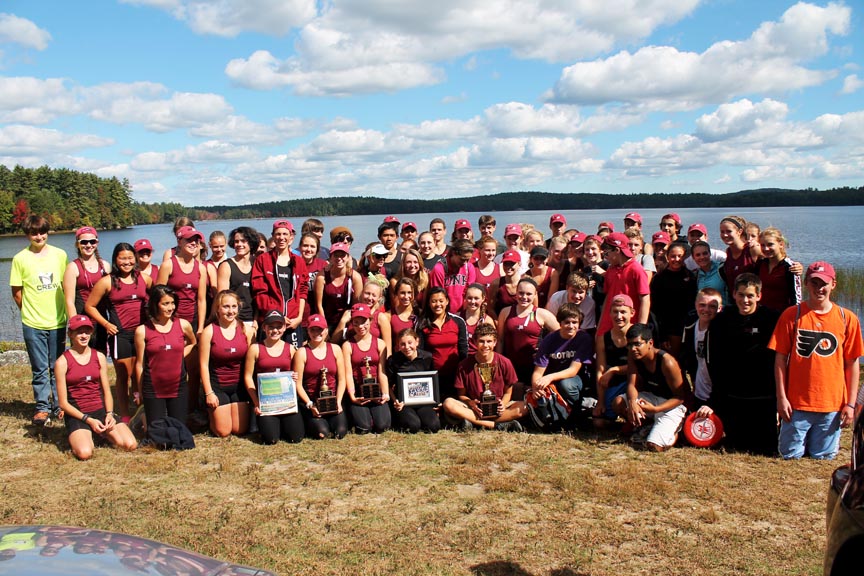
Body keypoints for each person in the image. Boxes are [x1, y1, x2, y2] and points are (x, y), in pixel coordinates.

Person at [770, 262, 863, 460]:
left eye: (824, 283)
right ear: (806, 284)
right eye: (814, 283)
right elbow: (780, 360)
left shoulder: (848, 319)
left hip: (831, 405)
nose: (819, 288)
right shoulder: (791, 315)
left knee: (823, 457)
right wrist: (781, 398)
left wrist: (851, 404)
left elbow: (852, 364)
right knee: (790, 456)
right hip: (796, 404)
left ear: (833, 285)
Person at [706, 273, 780, 455]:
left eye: (750, 296)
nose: (745, 300)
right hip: (733, 393)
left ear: (759, 296)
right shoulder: (722, 320)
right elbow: (715, 360)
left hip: (763, 394)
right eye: (741, 295)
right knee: (736, 444)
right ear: (733, 294)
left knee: (765, 447)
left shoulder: (772, 319)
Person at [10, 215, 69, 425]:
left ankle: (60, 405)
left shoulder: (60, 255)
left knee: (58, 367)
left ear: (47, 232)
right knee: (40, 368)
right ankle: (42, 407)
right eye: (34, 233)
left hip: (58, 321)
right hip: (33, 323)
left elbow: (67, 285)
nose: (39, 236)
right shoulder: (20, 259)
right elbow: (17, 292)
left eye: (42, 232)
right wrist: (30, 312)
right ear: (27, 235)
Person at [85, 243, 152, 422]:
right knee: (123, 376)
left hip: (141, 334)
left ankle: (142, 410)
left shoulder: (144, 279)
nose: (127, 262)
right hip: (119, 335)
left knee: (141, 373)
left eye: (130, 258)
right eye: (122, 258)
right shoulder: (107, 281)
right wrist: (106, 324)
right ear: (116, 259)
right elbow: (89, 306)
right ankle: (124, 414)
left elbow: (157, 300)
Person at [56, 315, 137, 459]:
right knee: (85, 453)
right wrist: (88, 420)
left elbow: (106, 391)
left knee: (130, 444)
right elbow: (63, 403)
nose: (84, 335)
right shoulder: (62, 362)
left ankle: (101, 433)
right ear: (70, 334)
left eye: (87, 331)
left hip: (100, 411)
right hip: (79, 414)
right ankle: (87, 433)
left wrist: (110, 413)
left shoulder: (99, 356)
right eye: (79, 332)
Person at [612, 323, 687, 452]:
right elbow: (631, 384)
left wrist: (656, 409)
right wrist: (632, 403)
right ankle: (648, 426)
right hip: (651, 399)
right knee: (618, 402)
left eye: (637, 344)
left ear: (650, 343)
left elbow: (680, 397)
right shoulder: (633, 355)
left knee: (654, 447)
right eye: (630, 345)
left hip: (671, 405)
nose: (633, 348)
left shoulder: (667, 362)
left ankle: (675, 432)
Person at [134, 285, 197, 428]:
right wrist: (139, 391)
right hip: (153, 387)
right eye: (165, 304)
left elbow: (193, 343)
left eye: (173, 303)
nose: (171, 308)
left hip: (178, 385)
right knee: (159, 440)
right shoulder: (142, 331)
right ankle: (143, 418)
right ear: (155, 304)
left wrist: (178, 356)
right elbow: (139, 364)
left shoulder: (183, 325)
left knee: (179, 434)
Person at [443, 324, 526, 431]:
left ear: (495, 342)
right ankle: (496, 426)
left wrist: (503, 405)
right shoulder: (464, 365)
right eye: (481, 341)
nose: (485, 345)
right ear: (475, 342)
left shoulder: (505, 362)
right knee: (448, 404)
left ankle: (474, 422)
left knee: (524, 407)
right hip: (475, 409)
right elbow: (462, 395)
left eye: (489, 341)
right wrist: (471, 403)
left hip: (498, 409)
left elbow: (508, 392)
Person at [244, 310, 307, 444]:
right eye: (271, 327)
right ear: (264, 327)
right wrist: (257, 402)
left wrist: (295, 377)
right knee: (270, 439)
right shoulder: (255, 348)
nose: (275, 330)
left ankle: (284, 424)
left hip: (286, 401)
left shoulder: (291, 349)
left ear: (284, 328)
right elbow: (248, 377)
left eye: (278, 327)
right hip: (266, 403)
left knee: (296, 438)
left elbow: (298, 375)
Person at [199, 290, 253, 437]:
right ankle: (208, 415)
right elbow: (203, 365)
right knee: (223, 431)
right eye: (226, 307)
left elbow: (251, 363)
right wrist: (209, 393)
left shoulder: (247, 330)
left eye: (234, 307)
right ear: (218, 308)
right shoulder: (209, 331)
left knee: (239, 430)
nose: (231, 311)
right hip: (218, 386)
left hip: (239, 387)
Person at [252, 219, 309, 346]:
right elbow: (260, 292)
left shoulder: (299, 262)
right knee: (269, 359)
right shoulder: (263, 260)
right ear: (273, 236)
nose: (281, 237)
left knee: (293, 360)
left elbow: (302, 291)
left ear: (291, 237)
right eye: (278, 234)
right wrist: (277, 316)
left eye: (285, 234)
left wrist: (299, 317)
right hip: (271, 322)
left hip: (292, 322)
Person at [531, 303, 594, 414]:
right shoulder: (549, 339)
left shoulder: (584, 338)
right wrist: (536, 387)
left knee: (566, 384)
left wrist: (549, 378)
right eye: (567, 322)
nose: (571, 326)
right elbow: (538, 371)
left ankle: (578, 411)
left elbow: (573, 370)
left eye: (574, 322)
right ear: (560, 323)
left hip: (576, 379)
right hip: (553, 380)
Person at [292, 314, 348, 439]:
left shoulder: (335, 349)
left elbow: (342, 379)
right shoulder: (301, 352)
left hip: (332, 400)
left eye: (320, 329)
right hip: (312, 401)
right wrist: (310, 404)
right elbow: (298, 384)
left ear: (326, 330)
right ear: (308, 331)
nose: (316, 333)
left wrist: (338, 402)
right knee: (322, 433)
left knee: (341, 431)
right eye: (313, 329)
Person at [496, 277, 559, 386]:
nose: (524, 297)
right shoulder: (505, 312)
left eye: (529, 294)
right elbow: (500, 340)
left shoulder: (542, 314)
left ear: (535, 295)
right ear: (516, 293)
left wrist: (548, 351)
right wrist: (497, 363)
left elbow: (562, 334)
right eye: (521, 293)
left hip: (534, 368)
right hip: (510, 366)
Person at [342, 303, 391, 434]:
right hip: (359, 391)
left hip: (376, 390)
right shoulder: (348, 345)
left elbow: (382, 372)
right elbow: (347, 374)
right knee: (364, 427)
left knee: (382, 426)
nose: (360, 326)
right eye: (356, 323)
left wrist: (385, 393)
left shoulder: (380, 343)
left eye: (364, 322)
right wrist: (352, 396)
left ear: (370, 320)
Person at [62, 226, 109, 352]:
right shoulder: (73, 267)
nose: (88, 245)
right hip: (82, 321)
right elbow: (69, 301)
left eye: (92, 242)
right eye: (84, 242)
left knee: (100, 356)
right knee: (82, 358)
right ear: (77, 244)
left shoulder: (105, 266)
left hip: (101, 320)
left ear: (97, 243)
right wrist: (75, 326)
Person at [417, 287, 469, 399]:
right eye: (434, 301)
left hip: (455, 376)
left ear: (447, 301)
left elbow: (463, 350)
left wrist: (463, 376)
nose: (438, 304)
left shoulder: (458, 321)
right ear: (429, 303)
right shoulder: (422, 323)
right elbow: (420, 352)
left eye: (441, 301)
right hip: (433, 376)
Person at [386, 328, 441, 433]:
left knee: (434, 426)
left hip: (423, 401)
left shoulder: (427, 358)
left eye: (410, 343)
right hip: (403, 403)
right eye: (402, 344)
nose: (407, 347)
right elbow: (388, 385)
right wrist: (395, 401)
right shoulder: (393, 360)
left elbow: (433, 381)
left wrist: (434, 401)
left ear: (417, 341)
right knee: (413, 426)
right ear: (398, 345)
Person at [592, 294, 635, 426]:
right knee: (598, 423)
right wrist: (600, 401)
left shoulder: (638, 334)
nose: (619, 316)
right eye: (615, 312)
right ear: (609, 313)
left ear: (632, 313)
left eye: (623, 312)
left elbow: (642, 366)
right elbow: (600, 369)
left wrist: (615, 370)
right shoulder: (603, 338)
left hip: (635, 380)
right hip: (614, 382)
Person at [597, 233, 650, 336]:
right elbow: (608, 298)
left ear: (617, 250)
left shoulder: (636, 269)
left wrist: (641, 329)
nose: (606, 257)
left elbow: (645, 300)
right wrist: (600, 326)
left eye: (607, 253)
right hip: (608, 327)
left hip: (628, 326)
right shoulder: (611, 269)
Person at [680, 288, 723, 415]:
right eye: (702, 305)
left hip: (719, 396)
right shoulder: (690, 328)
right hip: (700, 392)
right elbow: (689, 359)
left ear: (720, 308)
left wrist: (714, 401)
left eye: (712, 306)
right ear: (695, 305)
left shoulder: (722, 333)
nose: (706, 310)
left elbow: (725, 372)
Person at [649, 241, 696, 356]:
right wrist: (662, 334)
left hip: (686, 324)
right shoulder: (659, 278)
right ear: (667, 257)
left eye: (680, 256)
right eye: (673, 256)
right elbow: (655, 306)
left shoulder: (689, 276)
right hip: (667, 326)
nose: (676, 259)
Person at [331, 275, 392, 351]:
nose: (370, 298)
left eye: (374, 295)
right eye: (367, 293)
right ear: (362, 293)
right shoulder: (350, 313)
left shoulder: (381, 317)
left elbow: (388, 350)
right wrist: (342, 322)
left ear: (379, 297)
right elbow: (334, 342)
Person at [216, 226, 258, 329]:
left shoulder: (257, 264)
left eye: (243, 241)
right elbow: (222, 298)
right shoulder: (226, 266)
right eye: (236, 241)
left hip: (255, 320)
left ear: (251, 243)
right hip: (234, 320)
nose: (239, 244)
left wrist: (256, 320)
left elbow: (260, 295)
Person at [315, 241, 362, 331]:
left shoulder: (354, 277)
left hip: (347, 321)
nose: (339, 258)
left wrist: (349, 323)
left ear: (348, 257)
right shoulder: (322, 276)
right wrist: (324, 327)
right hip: (327, 321)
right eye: (336, 255)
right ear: (331, 258)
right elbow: (318, 305)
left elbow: (356, 304)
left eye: (342, 255)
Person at [753, 227, 802, 313]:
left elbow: (796, 299)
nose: (766, 249)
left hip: (782, 317)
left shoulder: (790, 267)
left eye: (770, 244)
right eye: (763, 245)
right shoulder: (761, 264)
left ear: (781, 244)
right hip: (761, 315)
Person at [428, 239, 476, 313]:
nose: (465, 263)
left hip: (463, 312)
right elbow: (437, 296)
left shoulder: (468, 267)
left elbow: (469, 291)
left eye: (468, 260)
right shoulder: (440, 269)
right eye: (462, 259)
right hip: (444, 313)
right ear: (454, 253)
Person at [719, 215, 761, 295]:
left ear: (739, 231)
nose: (725, 235)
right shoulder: (728, 252)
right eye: (722, 232)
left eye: (729, 231)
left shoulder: (752, 249)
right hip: (735, 301)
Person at [460, 283, 496, 353]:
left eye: (476, 298)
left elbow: (491, 345)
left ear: (483, 299)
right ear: (465, 298)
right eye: (470, 298)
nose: (473, 301)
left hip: (479, 359)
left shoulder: (487, 321)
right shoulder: (458, 318)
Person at [691, 240, 729, 305]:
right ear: (693, 257)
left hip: (724, 312)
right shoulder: (696, 275)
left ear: (710, 253)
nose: (702, 257)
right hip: (706, 313)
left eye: (705, 253)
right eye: (698, 255)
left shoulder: (722, 269)